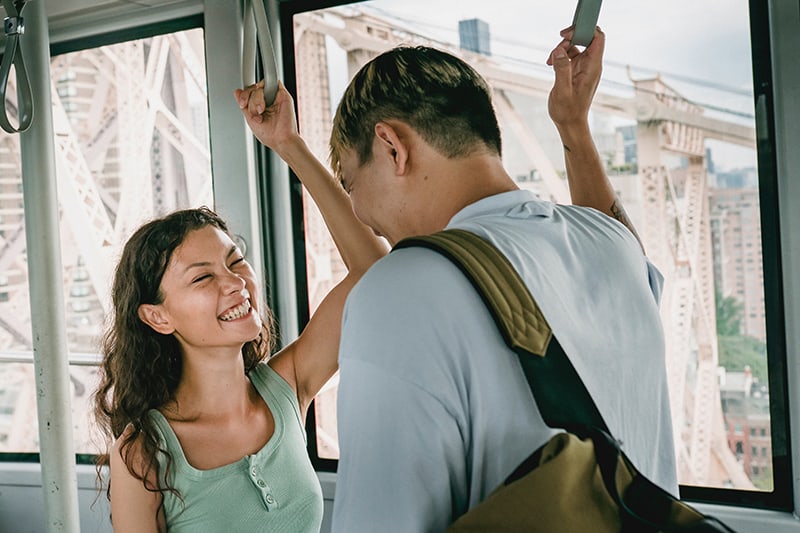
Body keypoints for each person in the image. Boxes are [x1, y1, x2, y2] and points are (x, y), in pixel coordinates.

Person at [324, 27, 679, 531]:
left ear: (391, 146)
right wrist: (572, 126)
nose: (361, 215)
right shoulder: (613, 247)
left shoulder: (401, 289)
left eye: (350, 183)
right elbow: (615, 235)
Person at [92, 81, 387, 532]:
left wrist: (289, 145)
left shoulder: (286, 388)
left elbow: (373, 269)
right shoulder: (143, 452)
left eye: (236, 262)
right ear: (157, 316)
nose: (236, 283)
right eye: (203, 276)